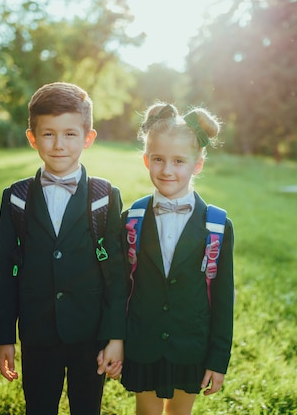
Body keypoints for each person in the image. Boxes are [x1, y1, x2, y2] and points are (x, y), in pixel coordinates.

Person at [0, 82, 128, 415]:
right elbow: (4, 271)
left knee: (86, 408)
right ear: (32, 137)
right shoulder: (16, 198)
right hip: (37, 333)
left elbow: (118, 274)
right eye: (48, 134)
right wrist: (4, 337)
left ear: (88, 138)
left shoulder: (104, 197)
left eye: (70, 134)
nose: (59, 144)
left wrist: (115, 336)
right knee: (39, 406)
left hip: (89, 333)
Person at [121, 103, 234, 415]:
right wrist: (115, 339)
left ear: (197, 164)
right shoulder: (131, 218)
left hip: (191, 345)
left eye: (179, 161)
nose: (167, 170)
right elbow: (119, 286)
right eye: (158, 159)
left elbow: (223, 300)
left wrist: (217, 359)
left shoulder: (217, 225)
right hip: (142, 341)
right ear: (146, 160)